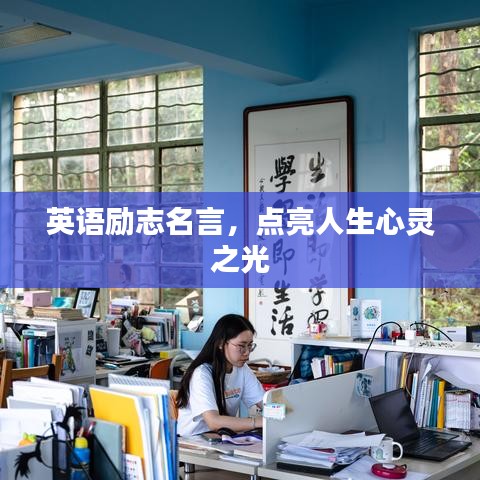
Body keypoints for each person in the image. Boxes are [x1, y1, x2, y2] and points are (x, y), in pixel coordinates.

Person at [176, 314, 265, 436]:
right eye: (241, 346)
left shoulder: (242, 369)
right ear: (221, 343)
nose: (247, 352)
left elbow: (266, 403)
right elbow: (213, 421)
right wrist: (257, 422)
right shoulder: (201, 374)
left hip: (221, 437)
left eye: (250, 345)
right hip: (193, 440)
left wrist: (282, 410)